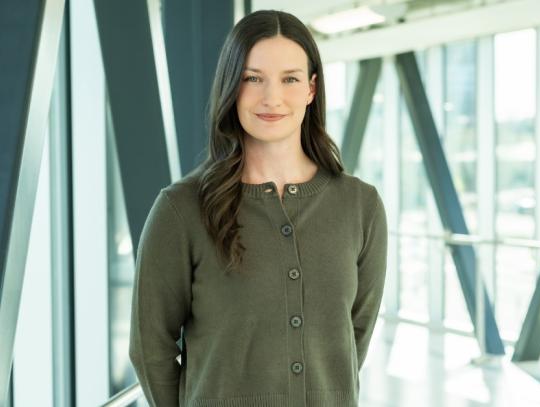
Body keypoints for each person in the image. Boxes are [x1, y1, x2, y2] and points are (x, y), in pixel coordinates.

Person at [128, 9, 388, 407]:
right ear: (232, 86)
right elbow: (150, 348)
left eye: (290, 79)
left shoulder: (360, 206)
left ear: (311, 89)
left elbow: (354, 337)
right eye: (253, 78)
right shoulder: (180, 210)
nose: (271, 98)